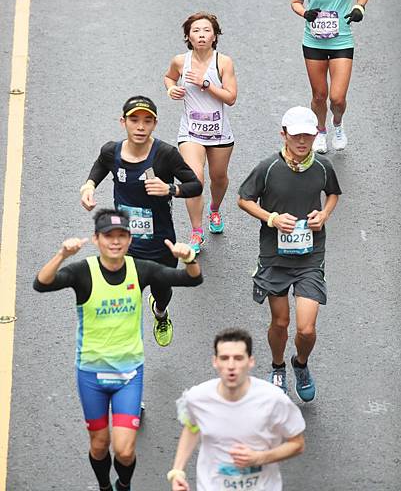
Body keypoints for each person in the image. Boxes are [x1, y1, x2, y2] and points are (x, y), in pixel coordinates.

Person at [34, 208, 203, 491]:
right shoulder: (82, 272)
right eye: (108, 236)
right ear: (96, 239)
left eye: (121, 236)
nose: (115, 242)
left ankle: (123, 485)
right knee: (100, 445)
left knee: (124, 450)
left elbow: (192, 279)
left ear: (129, 239)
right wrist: (62, 255)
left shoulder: (141, 269)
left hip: (129, 373)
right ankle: (104, 487)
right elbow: (42, 283)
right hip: (91, 374)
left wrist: (188, 258)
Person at [79, 96, 202, 347]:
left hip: (160, 244)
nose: (140, 127)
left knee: (162, 292)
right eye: (134, 120)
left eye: (147, 121)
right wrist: (89, 185)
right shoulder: (111, 152)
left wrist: (170, 189)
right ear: (123, 122)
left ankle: (160, 313)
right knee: (124, 297)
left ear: (155, 124)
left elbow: (195, 185)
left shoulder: (166, 155)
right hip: (123, 244)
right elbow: (100, 166)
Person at [237, 107, 341, 401]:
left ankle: (301, 364)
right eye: (296, 135)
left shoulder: (322, 167)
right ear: (284, 134)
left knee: (306, 329)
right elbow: (244, 200)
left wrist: (324, 214)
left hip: (310, 256)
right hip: (275, 256)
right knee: (281, 322)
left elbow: (333, 193)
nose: (302, 141)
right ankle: (278, 365)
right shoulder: (268, 167)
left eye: (308, 135)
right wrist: (271, 218)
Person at [167, 328, 305, 491]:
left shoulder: (273, 400)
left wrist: (259, 458)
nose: (231, 366)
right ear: (215, 361)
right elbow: (191, 427)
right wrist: (177, 472)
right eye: (224, 358)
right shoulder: (197, 398)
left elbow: (297, 444)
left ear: (250, 361)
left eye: (238, 358)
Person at [291, 0, 369, 153]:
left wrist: (359, 8)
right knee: (319, 95)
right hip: (314, 41)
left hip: (341, 42)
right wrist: (305, 13)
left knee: (337, 98)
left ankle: (337, 124)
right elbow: (295, 1)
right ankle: (321, 131)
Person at [164, 12, 238, 253]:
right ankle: (196, 232)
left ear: (215, 36)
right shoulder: (179, 61)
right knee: (194, 179)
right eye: (196, 31)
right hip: (191, 133)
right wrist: (172, 89)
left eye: (207, 30)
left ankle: (214, 209)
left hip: (219, 134)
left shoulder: (223, 62)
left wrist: (206, 84)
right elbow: (168, 78)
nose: (202, 35)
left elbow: (231, 98)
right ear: (188, 36)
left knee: (219, 178)